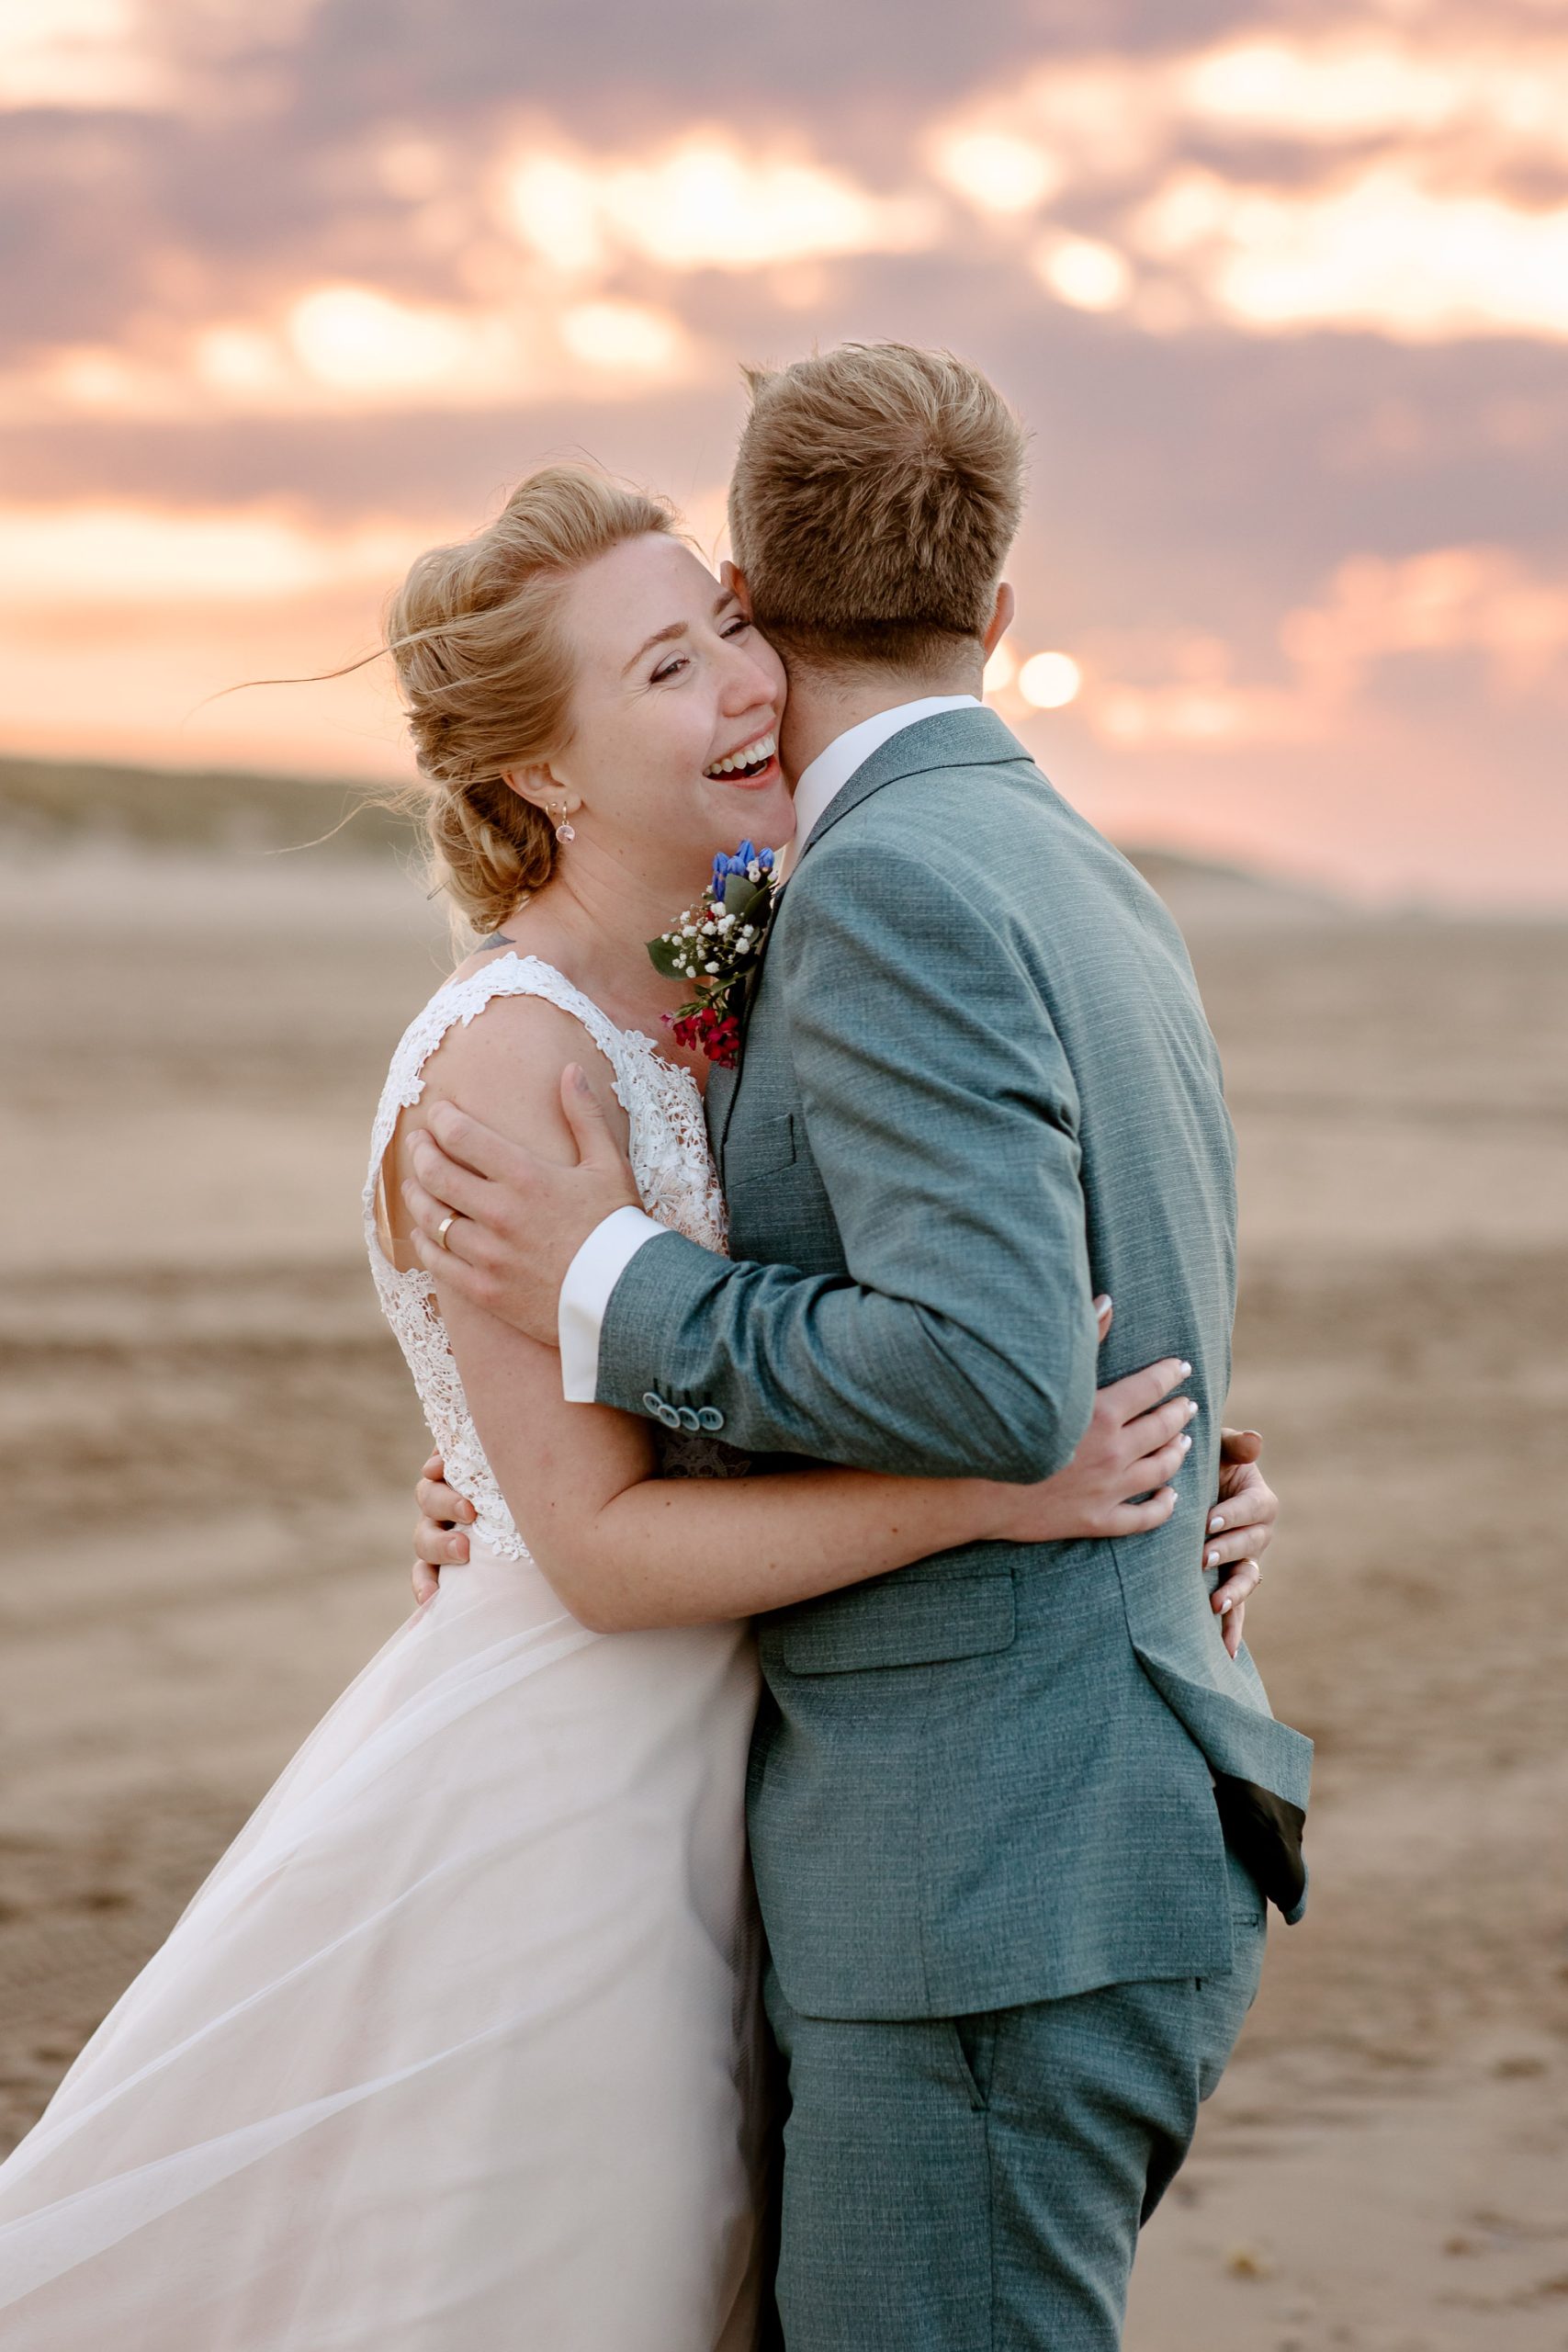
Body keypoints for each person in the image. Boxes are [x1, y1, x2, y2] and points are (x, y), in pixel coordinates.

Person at [0, 456, 1279, 2350]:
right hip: (573, 1802)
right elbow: (592, 1544)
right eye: (669, 669)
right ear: (545, 774)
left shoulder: (742, 982)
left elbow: (939, 1298)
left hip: (771, 1776)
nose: (745, 688)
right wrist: (1010, 1487)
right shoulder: (509, 1065)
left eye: (732, 630)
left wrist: (1196, 1487)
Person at [400, 345, 1314, 2351]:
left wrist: (612, 1285)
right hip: (1010, 1838)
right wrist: (525, 1454)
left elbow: (996, 1375)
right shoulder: (1078, 867)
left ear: (759, 590)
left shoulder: (890, 883)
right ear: (997, 612)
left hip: (990, 1879)